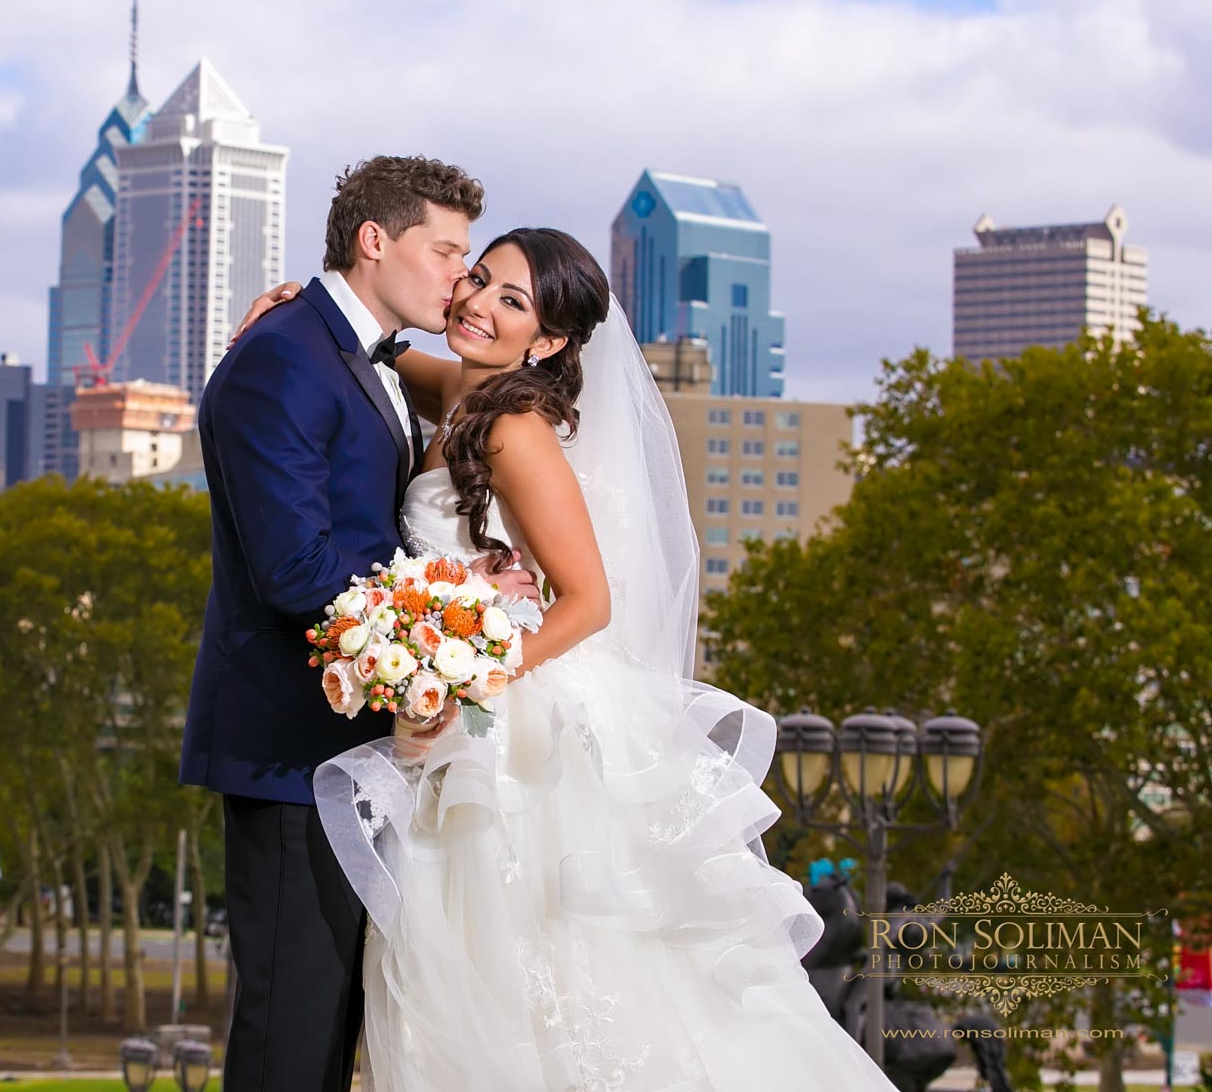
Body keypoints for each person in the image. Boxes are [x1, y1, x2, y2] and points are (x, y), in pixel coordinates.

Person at [234, 228, 903, 1090]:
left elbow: (588, 600)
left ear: (547, 341)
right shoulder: (460, 389)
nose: (475, 303)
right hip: (457, 720)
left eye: (511, 302)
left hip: (511, 730)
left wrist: (470, 675)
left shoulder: (513, 427)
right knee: (451, 966)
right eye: (477, 278)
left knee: (531, 967)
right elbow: (378, 351)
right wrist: (300, 305)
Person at [178, 156, 539, 1092]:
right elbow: (296, 568)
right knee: (288, 1039)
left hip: (355, 749)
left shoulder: (356, 353)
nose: (460, 279)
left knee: (333, 1030)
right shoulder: (285, 356)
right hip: (289, 750)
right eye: (447, 251)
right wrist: (452, 618)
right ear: (375, 242)